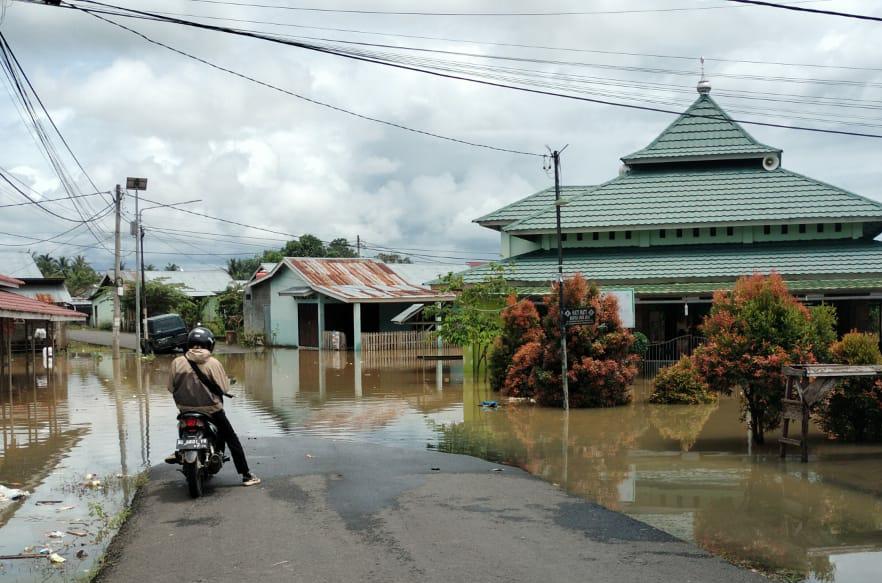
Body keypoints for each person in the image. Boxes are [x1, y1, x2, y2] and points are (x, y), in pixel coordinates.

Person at [166, 326, 260, 487]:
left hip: (185, 410)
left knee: (181, 425)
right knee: (231, 438)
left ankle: (179, 451)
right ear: (209, 344)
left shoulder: (177, 362)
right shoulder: (213, 363)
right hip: (211, 410)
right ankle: (246, 475)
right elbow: (224, 388)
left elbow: (170, 388)